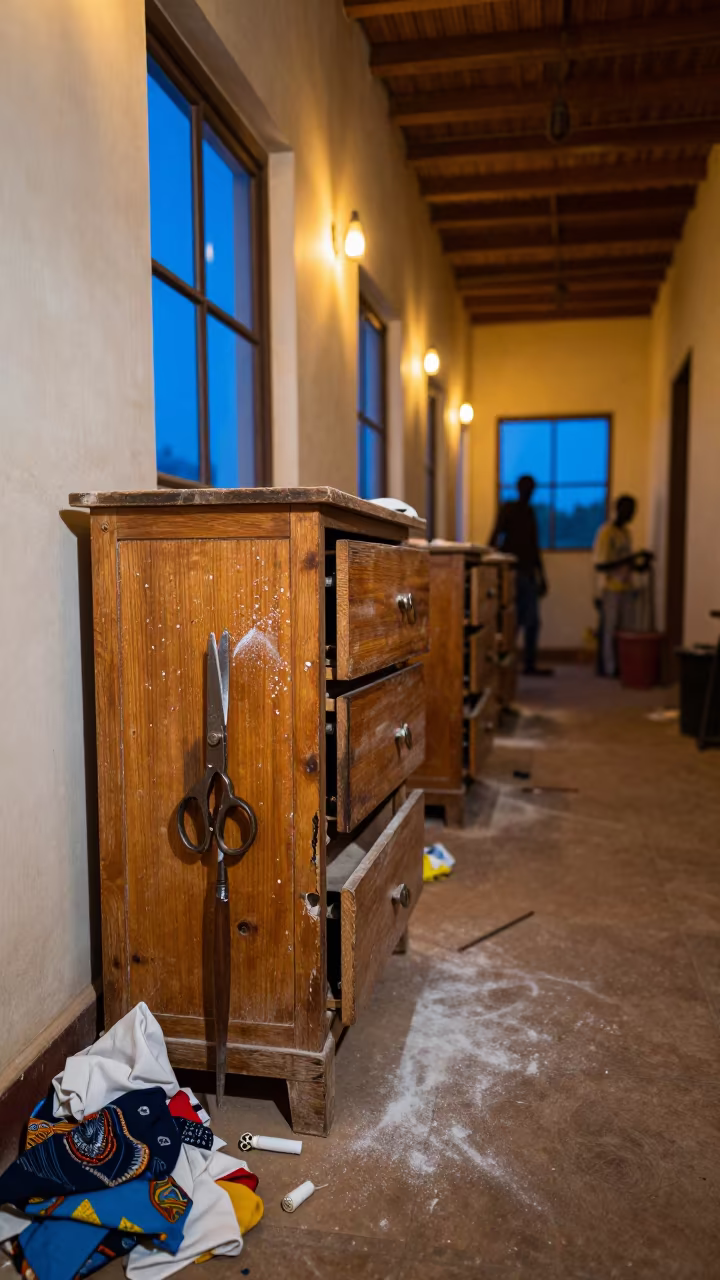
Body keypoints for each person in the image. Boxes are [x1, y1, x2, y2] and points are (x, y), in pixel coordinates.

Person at [490, 475, 552, 676]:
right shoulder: (509, 508)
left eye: (531, 488)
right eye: (526, 487)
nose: (529, 491)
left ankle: (527, 664)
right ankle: (505, 661)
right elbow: (495, 535)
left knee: (531, 622)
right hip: (512, 573)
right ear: (519, 488)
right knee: (511, 620)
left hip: (527, 573)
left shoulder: (529, 512)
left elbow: (534, 547)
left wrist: (541, 575)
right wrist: (489, 567)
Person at [593, 494, 650, 677]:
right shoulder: (606, 533)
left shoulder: (626, 533)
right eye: (628, 511)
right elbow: (601, 565)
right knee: (609, 630)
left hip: (626, 587)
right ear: (618, 510)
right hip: (610, 588)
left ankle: (622, 664)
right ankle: (610, 668)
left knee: (624, 631)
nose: (631, 515)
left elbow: (628, 563)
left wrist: (640, 565)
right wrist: (630, 559)